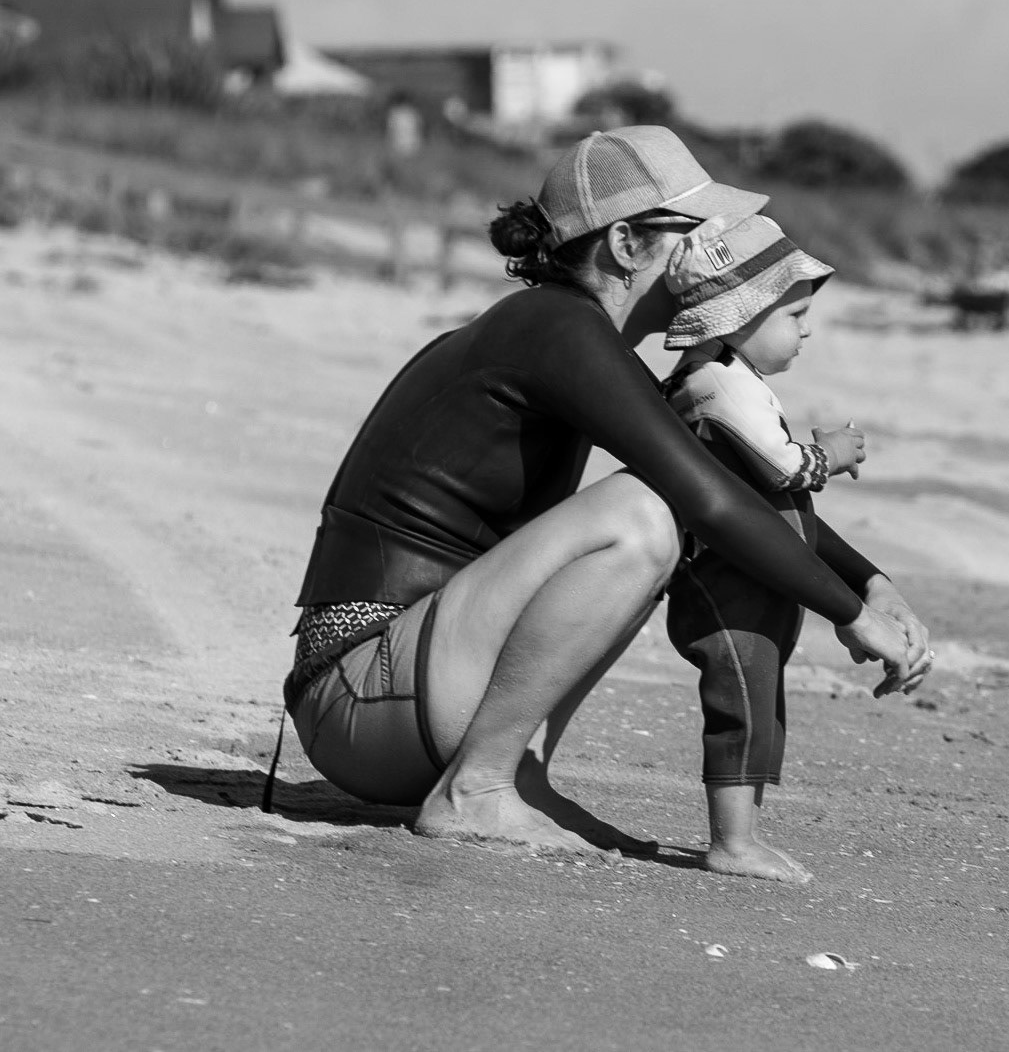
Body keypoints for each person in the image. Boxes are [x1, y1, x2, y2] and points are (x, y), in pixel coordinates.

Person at [284, 126, 932, 859]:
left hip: (413, 692)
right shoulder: (552, 326)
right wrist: (849, 615)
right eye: (695, 230)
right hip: (361, 692)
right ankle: (478, 787)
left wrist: (870, 583)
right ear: (624, 245)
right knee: (646, 516)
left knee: (673, 504)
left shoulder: (574, 338)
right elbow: (707, 501)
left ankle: (511, 778)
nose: (710, 248)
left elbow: (733, 481)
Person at [657, 214, 908, 883]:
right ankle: (731, 842)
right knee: (738, 695)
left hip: (765, 575)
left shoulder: (731, 376)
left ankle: (744, 833)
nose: (805, 330)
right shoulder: (715, 381)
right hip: (727, 577)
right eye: (794, 314)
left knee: (761, 699)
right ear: (739, 316)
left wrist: (861, 581)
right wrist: (834, 451)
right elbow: (785, 471)